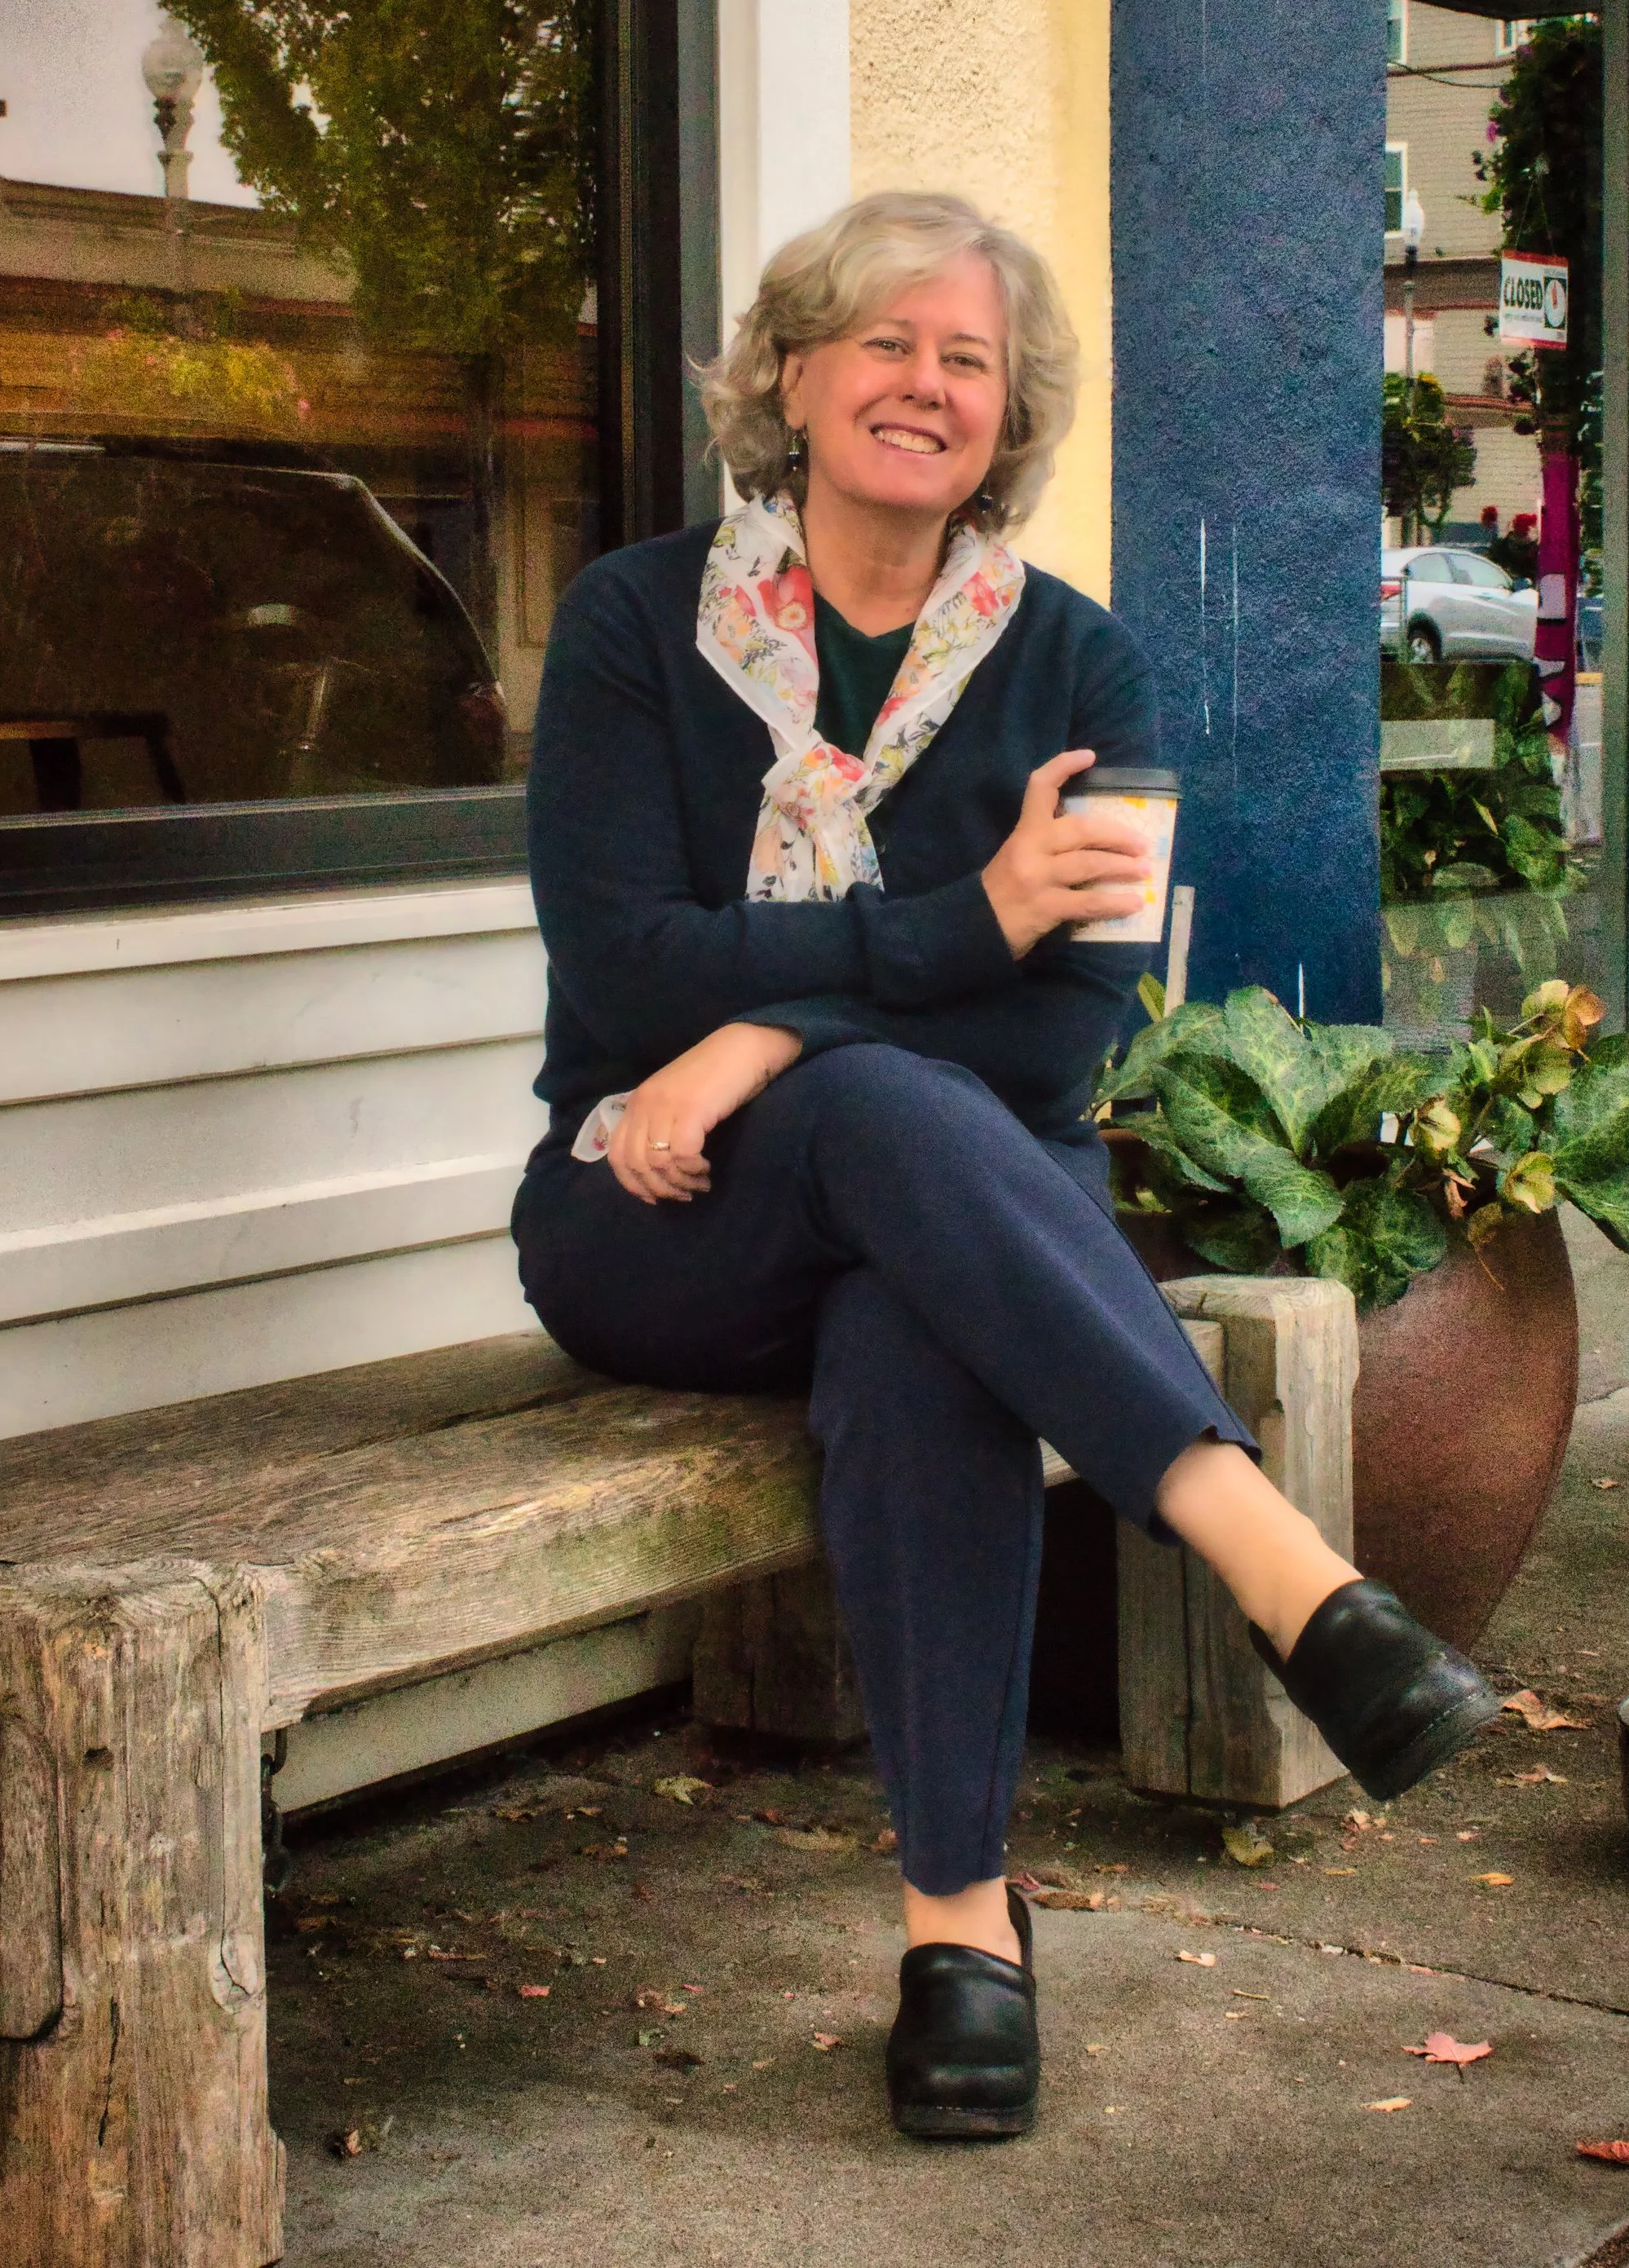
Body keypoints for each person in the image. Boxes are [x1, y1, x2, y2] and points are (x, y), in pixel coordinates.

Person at [514, 190, 1501, 2143]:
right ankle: (1290, 1580)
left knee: (913, 1295)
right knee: (903, 1122)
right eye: (882, 342)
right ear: (789, 377)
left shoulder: (1083, 674)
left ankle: (957, 1925)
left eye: (965, 360)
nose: (922, 385)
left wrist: (762, 1025)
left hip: (943, 1233)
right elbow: (621, 960)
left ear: (1004, 416)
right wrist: (961, 920)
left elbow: (1070, 1040)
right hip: (646, 1213)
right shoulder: (638, 625)